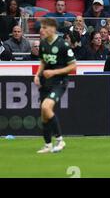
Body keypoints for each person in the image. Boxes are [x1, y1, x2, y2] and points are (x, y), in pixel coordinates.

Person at [34, 17, 76, 153]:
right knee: (44, 114)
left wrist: (54, 72)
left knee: (46, 107)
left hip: (59, 82)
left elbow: (73, 66)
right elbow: (42, 61)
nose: (41, 30)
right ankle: (47, 145)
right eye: (41, 27)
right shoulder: (43, 43)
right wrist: (37, 75)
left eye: (44, 27)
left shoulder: (63, 45)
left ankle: (60, 140)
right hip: (45, 82)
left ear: (52, 28)